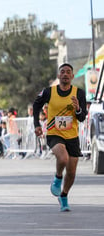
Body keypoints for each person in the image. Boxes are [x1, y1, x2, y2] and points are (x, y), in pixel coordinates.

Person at [33, 63, 87, 212]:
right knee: (63, 158)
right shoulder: (49, 92)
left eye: (68, 72)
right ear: (58, 75)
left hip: (72, 136)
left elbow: (82, 117)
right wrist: (36, 124)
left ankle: (64, 196)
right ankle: (57, 178)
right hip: (54, 133)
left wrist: (77, 108)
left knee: (71, 173)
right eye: (62, 72)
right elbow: (36, 105)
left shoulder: (79, 93)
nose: (65, 74)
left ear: (72, 76)